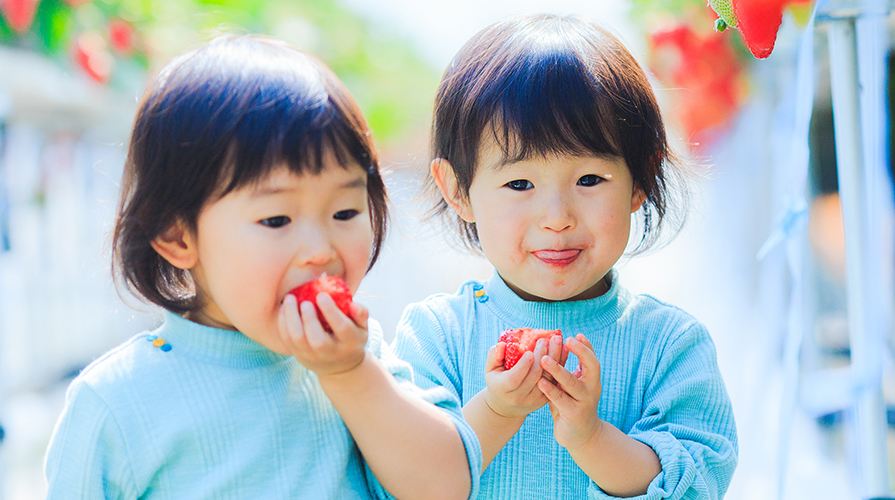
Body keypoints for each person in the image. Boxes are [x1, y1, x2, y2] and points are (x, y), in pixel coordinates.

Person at [44, 35, 479, 500]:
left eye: (346, 212)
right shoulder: (117, 402)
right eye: (276, 219)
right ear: (178, 236)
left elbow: (445, 487)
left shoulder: (361, 357)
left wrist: (349, 375)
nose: (319, 249)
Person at [391, 14, 737, 499]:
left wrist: (589, 437)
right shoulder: (437, 337)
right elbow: (406, 481)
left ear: (640, 178)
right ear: (458, 190)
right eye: (519, 184)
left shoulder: (669, 346)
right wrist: (497, 410)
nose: (557, 218)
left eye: (589, 180)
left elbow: (694, 481)